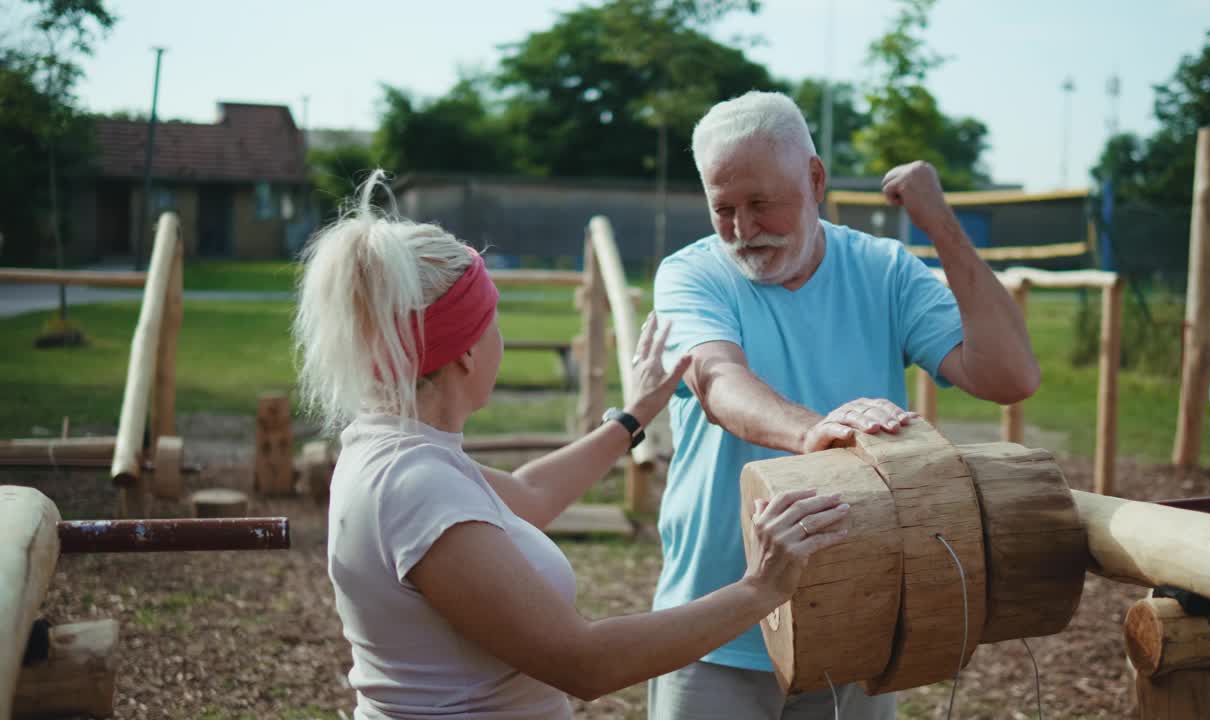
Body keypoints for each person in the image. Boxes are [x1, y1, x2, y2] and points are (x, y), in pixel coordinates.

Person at [292, 171, 852, 720]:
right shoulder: (415, 485)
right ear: (464, 351)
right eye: (493, 322)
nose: (500, 339)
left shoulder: (392, 449)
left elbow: (528, 495)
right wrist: (762, 589)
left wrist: (633, 417)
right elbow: (585, 663)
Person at [648, 91, 1041, 719]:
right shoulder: (691, 274)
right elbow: (718, 380)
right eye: (724, 209)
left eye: (762, 204)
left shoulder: (885, 269)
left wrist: (940, 225)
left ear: (814, 178)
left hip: (855, 609)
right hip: (713, 624)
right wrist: (816, 432)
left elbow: (1010, 375)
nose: (744, 232)